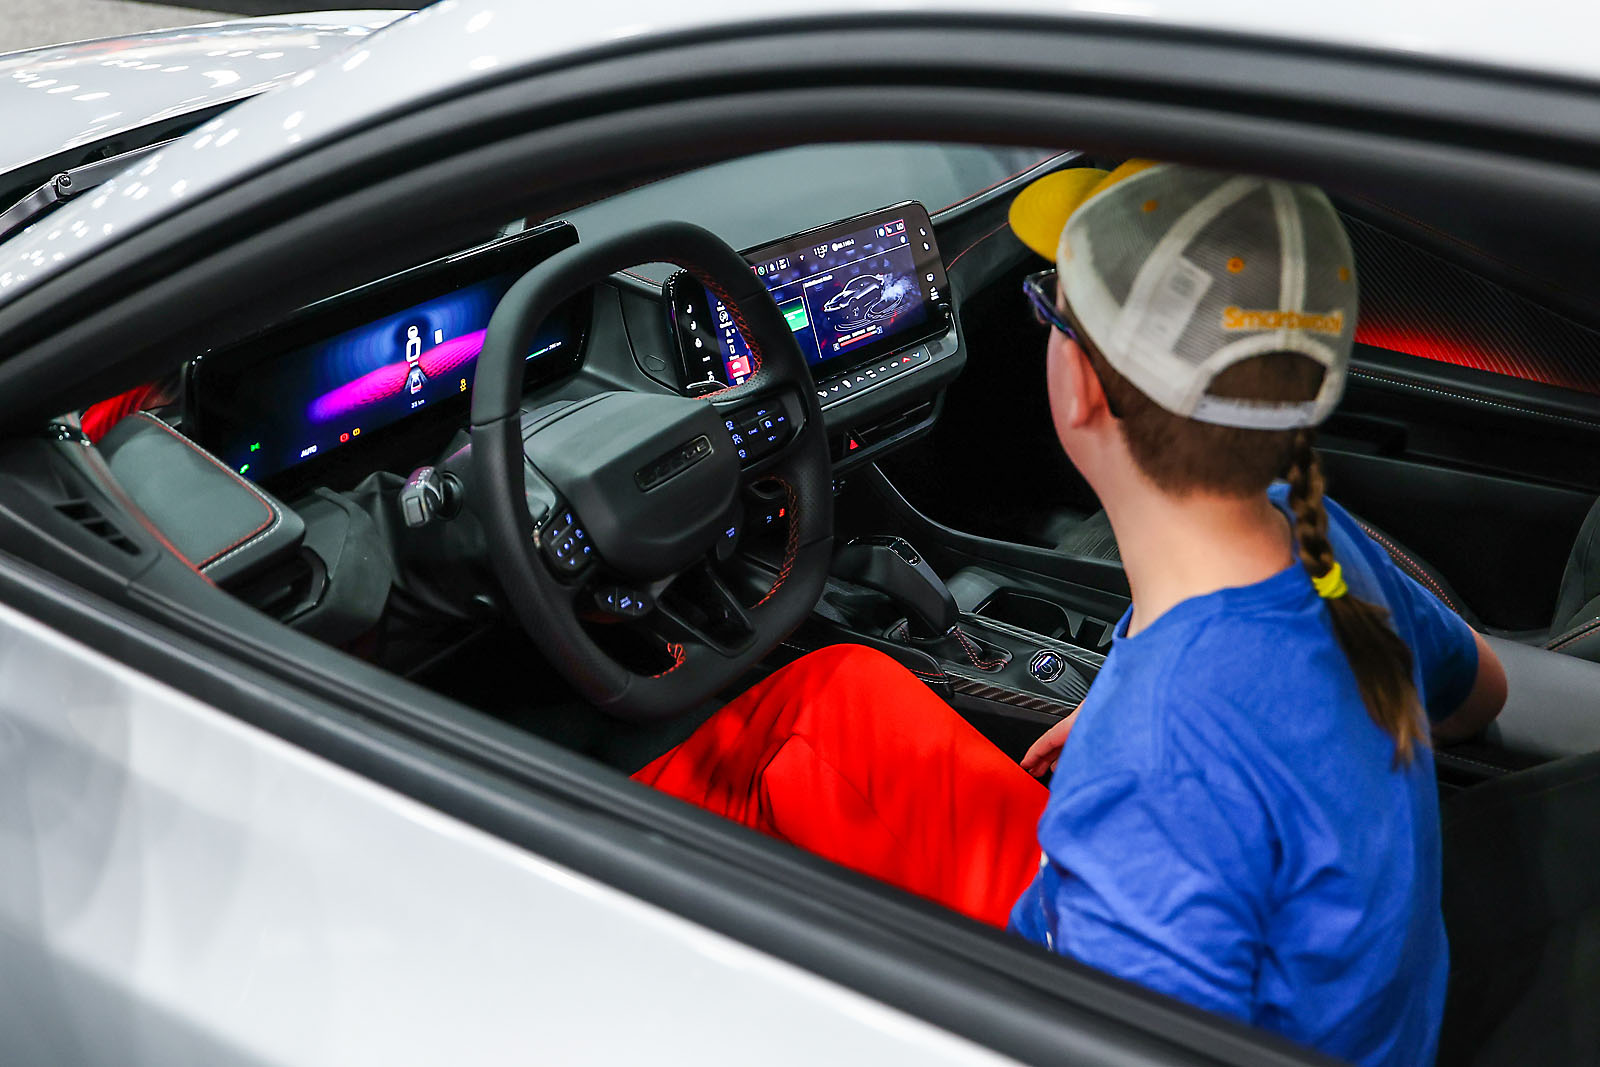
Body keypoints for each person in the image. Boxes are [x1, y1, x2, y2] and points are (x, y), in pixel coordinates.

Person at [631, 161, 1508, 1066]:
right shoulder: (1321, 539)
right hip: (1325, 988)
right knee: (835, 697)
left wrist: (1124, 763)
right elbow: (1479, 693)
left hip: (1070, 965)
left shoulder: (1156, 766)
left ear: (1082, 386)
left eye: (1051, 300)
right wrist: (1119, 705)